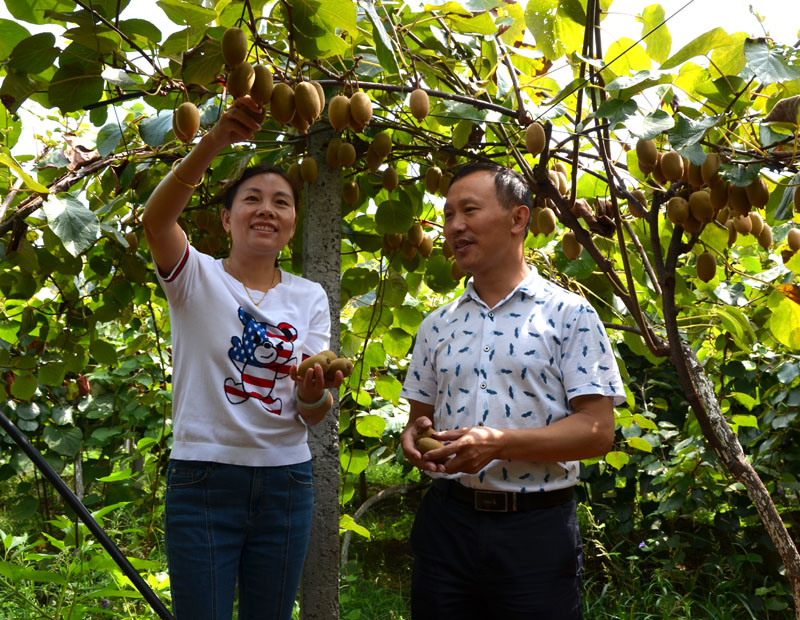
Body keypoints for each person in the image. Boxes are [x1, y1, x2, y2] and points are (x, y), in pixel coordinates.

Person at [142, 96, 343, 620]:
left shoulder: (309, 297)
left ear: (293, 224)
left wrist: (311, 390)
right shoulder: (195, 277)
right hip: (204, 478)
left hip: (286, 484)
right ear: (227, 218)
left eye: (281, 202)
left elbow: (314, 412)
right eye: (252, 198)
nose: (266, 209)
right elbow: (156, 220)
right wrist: (213, 143)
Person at [400, 163, 625, 619]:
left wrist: (499, 444)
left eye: (469, 210)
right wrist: (413, 440)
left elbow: (598, 432)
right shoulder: (436, 325)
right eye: (448, 215)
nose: (454, 226)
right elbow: (419, 422)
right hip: (448, 526)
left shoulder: (570, 315)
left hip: (535, 532)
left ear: (518, 219)